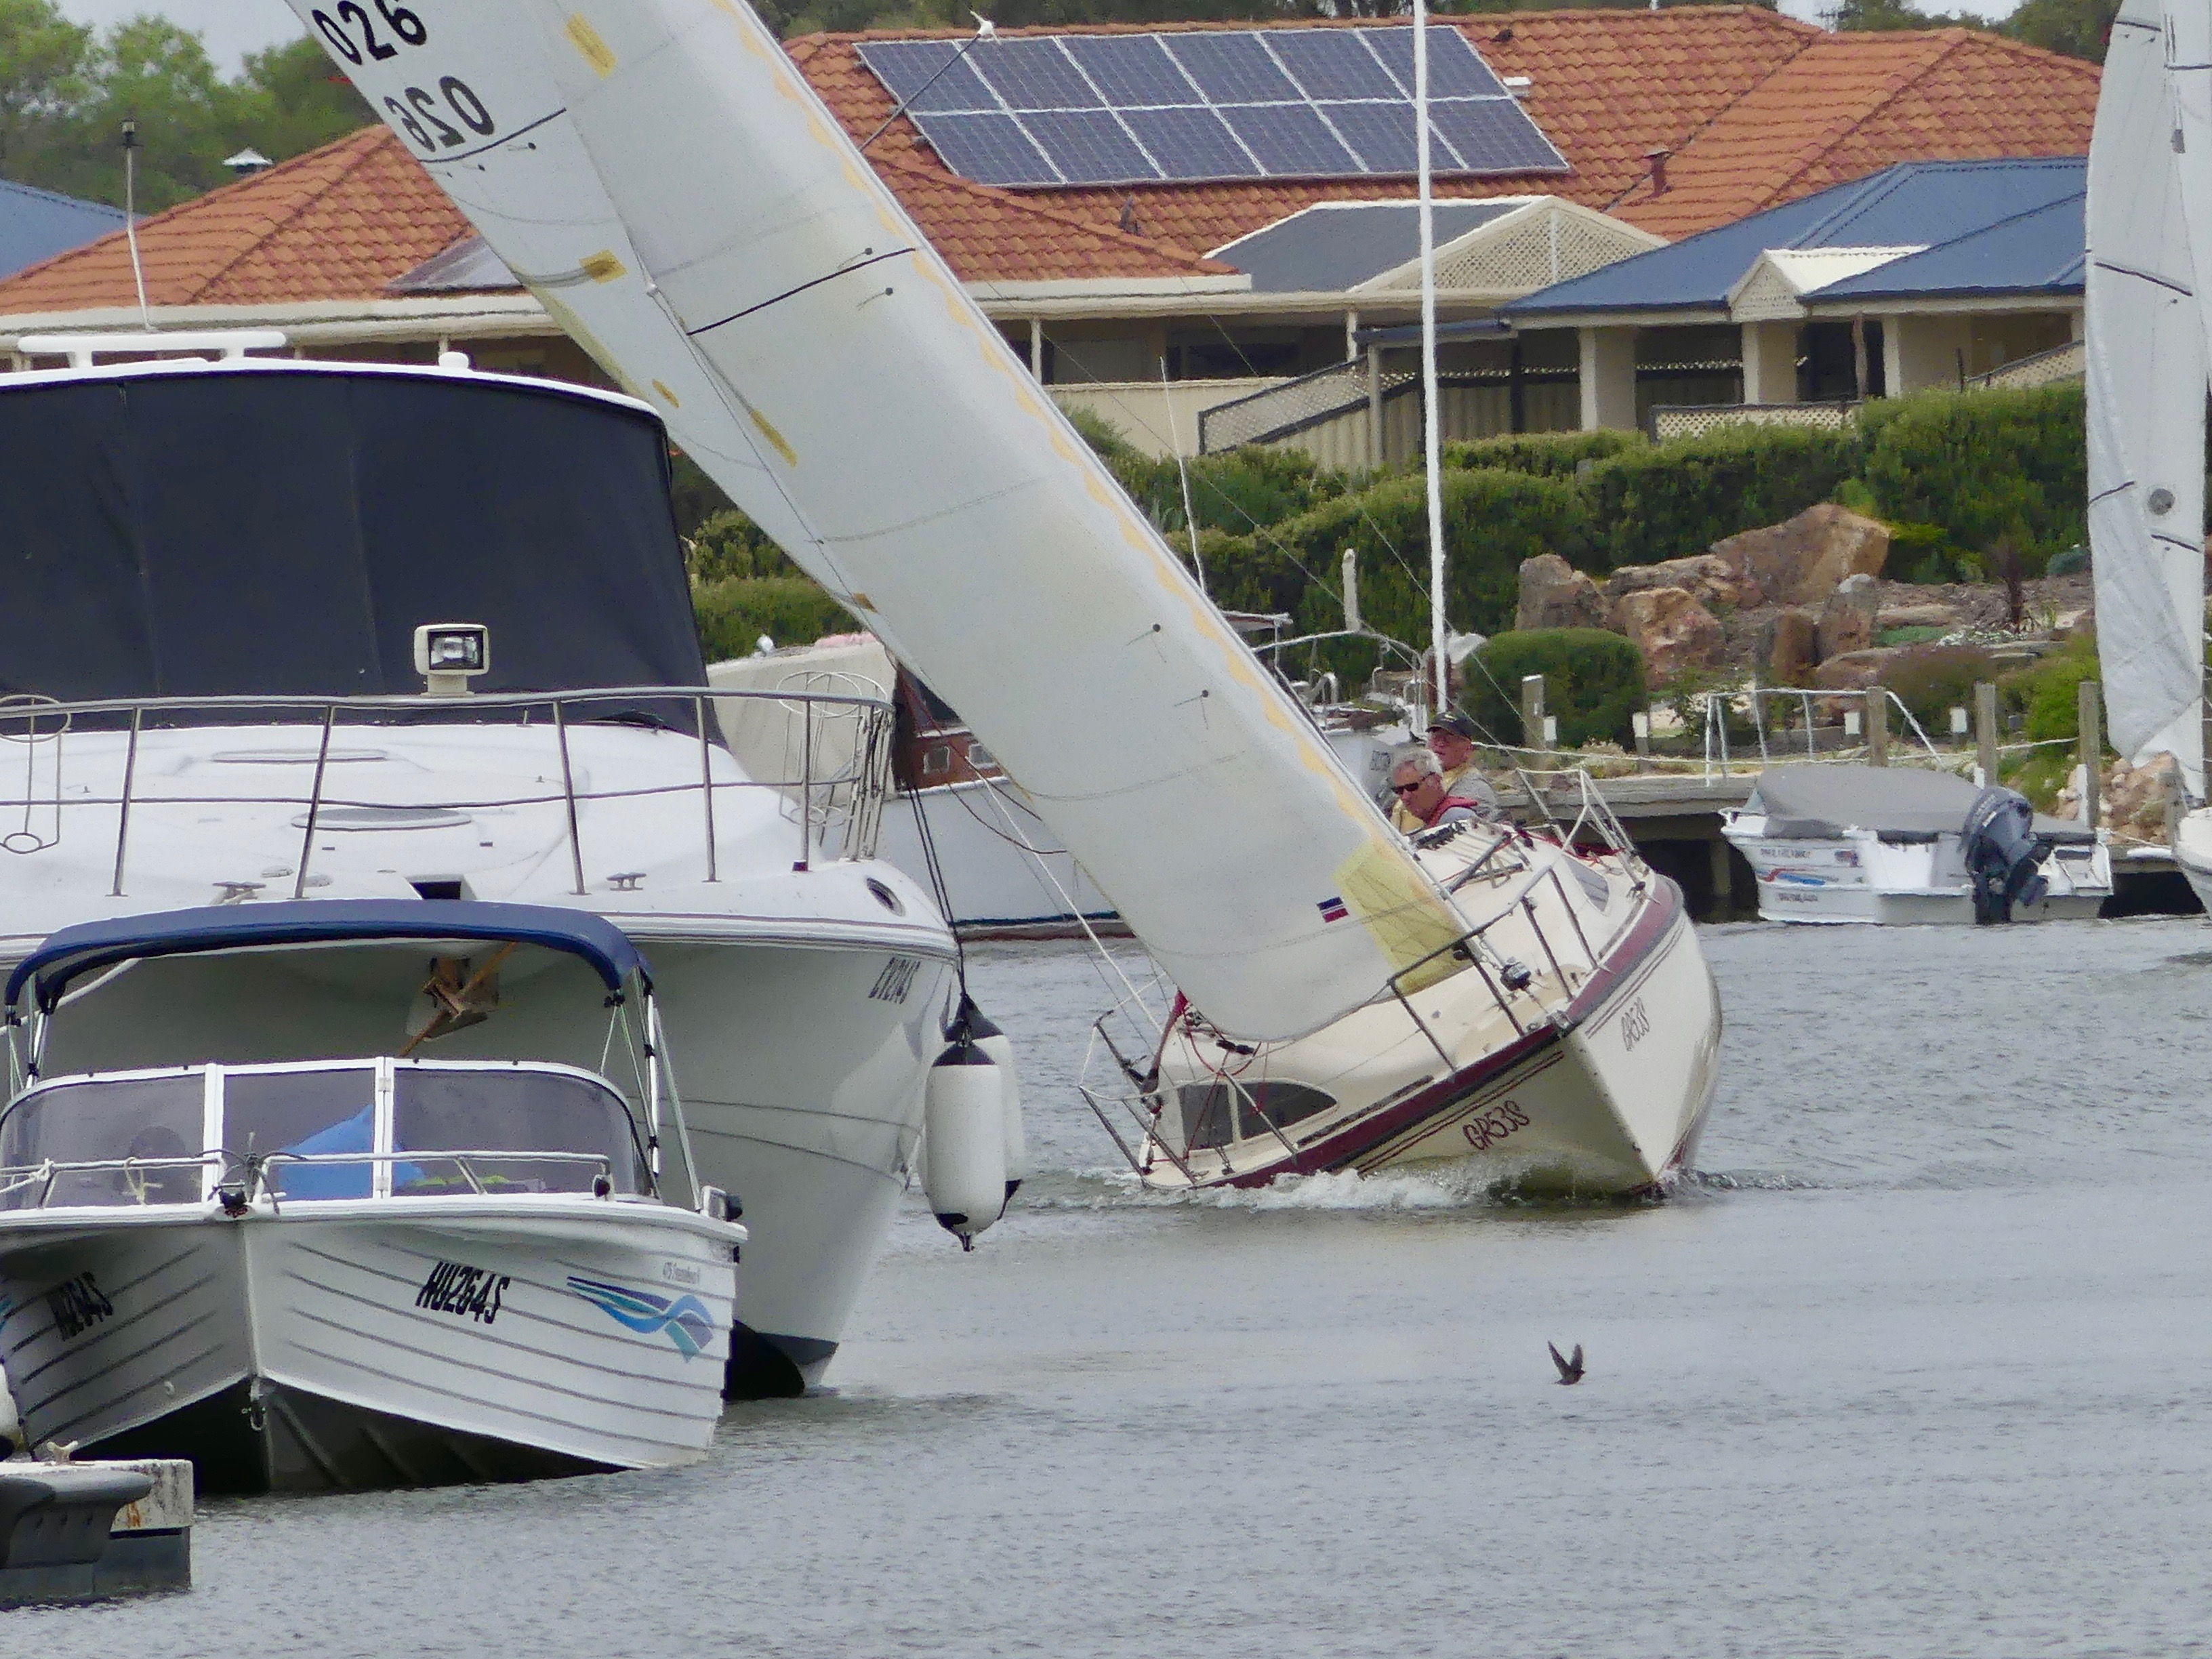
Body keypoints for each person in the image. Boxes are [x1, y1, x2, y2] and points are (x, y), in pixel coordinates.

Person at [1389, 750, 1483, 832]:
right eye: (1399, 791)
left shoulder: (1456, 819)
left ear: (1435, 780)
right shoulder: (1434, 822)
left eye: (1412, 787)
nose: (1405, 797)